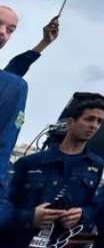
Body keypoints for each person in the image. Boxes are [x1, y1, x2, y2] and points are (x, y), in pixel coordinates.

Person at [0, 99, 104, 248]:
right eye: (89, 119)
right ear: (71, 122)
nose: (94, 126)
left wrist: (81, 215)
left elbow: (94, 208)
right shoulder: (29, 163)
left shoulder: (95, 166)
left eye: (99, 122)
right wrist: (30, 217)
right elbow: (4, 207)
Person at [0, 10, 58, 188]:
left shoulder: (10, 84)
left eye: (10, 30)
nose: (3, 32)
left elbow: (10, 78)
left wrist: (43, 43)